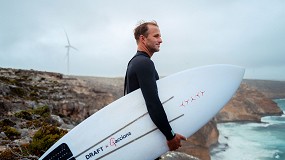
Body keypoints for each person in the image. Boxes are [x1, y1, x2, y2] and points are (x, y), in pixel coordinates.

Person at [124, 20, 186, 154]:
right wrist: (170, 135)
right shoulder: (144, 63)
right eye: (156, 36)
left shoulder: (135, 62)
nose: (161, 40)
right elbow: (152, 103)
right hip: (144, 135)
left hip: (140, 132)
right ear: (143, 39)